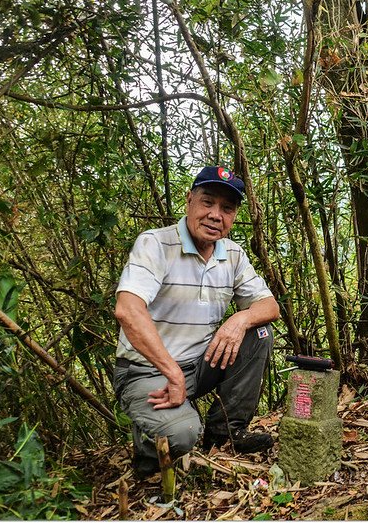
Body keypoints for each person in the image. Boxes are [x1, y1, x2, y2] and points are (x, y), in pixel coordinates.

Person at [113, 165, 280, 478]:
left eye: (226, 208)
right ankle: (149, 450)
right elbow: (128, 311)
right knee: (183, 434)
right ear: (189, 200)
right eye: (207, 202)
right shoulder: (156, 245)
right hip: (148, 371)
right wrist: (172, 373)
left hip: (199, 365)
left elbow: (269, 306)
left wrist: (241, 318)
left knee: (258, 332)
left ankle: (225, 432)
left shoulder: (232, 254)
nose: (216, 215)